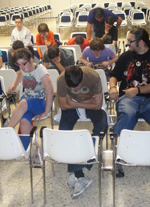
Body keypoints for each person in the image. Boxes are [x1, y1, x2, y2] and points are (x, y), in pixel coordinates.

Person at [109, 28, 150, 185]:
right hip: (129, 98)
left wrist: (138, 90)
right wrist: (113, 87)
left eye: (130, 41)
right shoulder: (126, 56)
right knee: (127, 116)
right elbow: (114, 75)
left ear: (140, 42)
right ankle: (119, 156)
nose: (127, 43)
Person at [57, 65, 108, 199]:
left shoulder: (93, 76)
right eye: (71, 88)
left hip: (81, 105)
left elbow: (97, 105)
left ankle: (81, 161)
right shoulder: (61, 79)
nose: (74, 89)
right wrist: (88, 101)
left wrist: (74, 103)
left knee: (102, 127)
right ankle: (80, 175)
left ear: (83, 77)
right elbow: (63, 105)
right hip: (76, 105)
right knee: (63, 133)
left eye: (77, 86)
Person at [7, 48, 53, 134]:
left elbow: (50, 92)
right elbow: (20, 73)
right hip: (26, 102)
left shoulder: (40, 71)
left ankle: (8, 130)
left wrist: (46, 112)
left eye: (23, 64)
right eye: (18, 64)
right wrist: (14, 85)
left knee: (23, 102)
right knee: (24, 121)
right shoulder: (23, 69)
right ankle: (28, 146)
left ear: (31, 59)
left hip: (40, 102)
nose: (21, 67)